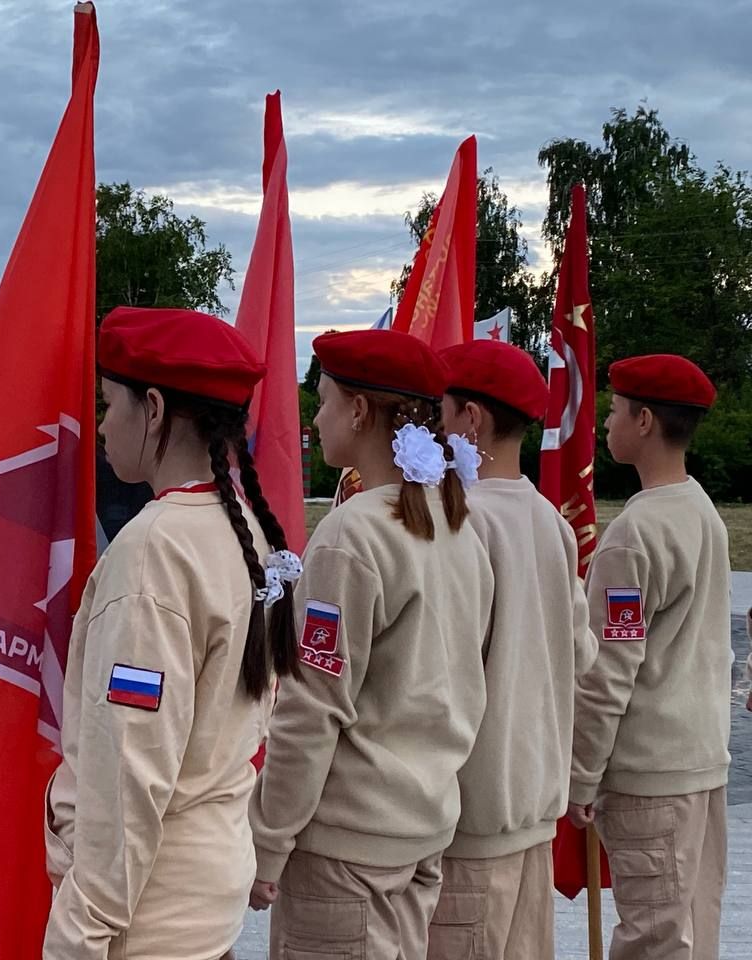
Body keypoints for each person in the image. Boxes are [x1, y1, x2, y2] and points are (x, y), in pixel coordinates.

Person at [43, 306, 302, 960]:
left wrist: (78, 937)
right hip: (205, 893)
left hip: (147, 920)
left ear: (153, 409)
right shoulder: (240, 528)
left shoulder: (156, 550)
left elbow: (129, 774)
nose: (101, 425)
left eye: (108, 404)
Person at [249, 328, 493, 960]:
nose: (317, 416)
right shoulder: (457, 522)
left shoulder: (353, 534)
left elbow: (311, 708)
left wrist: (268, 841)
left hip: (347, 853)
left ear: (359, 411)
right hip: (421, 827)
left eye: (324, 399)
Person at [429, 339, 597, 960]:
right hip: (532, 817)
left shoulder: (461, 520)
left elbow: (439, 676)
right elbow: (583, 654)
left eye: (443, 412)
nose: (436, 427)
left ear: (471, 419)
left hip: (470, 824)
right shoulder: (550, 521)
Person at [568, 354, 730, 960]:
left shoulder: (636, 533)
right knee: (689, 934)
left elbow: (610, 667)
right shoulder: (700, 510)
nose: (603, 425)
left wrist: (581, 774)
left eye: (611, 412)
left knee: (653, 942)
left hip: (651, 775)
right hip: (699, 761)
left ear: (643, 421)